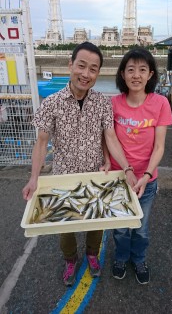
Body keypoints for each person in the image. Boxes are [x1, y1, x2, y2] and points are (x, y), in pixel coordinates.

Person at [22, 41, 136, 286]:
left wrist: (125, 168)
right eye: (81, 66)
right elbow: (41, 143)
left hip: (96, 175)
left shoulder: (103, 103)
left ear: (97, 73)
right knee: (66, 222)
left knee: (97, 220)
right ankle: (70, 259)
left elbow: (110, 137)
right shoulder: (51, 102)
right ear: (70, 64)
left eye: (93, 69)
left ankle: (92, 254)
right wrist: (34, 178)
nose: (86, 73)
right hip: (64, 175)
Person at [109, 47, 172, 284]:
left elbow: (159, 147)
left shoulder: (160, 104)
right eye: (131, 69)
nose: (136, 75)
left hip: (147, 180)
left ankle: (139, 258)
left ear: (150, 74)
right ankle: (121, 256)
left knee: (140, 226)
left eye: (142, 70)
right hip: (119, 179)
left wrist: (146, 175)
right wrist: (124, 170)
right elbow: (109, 138)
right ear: (122, 74)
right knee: (120, 227)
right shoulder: (113, 103)